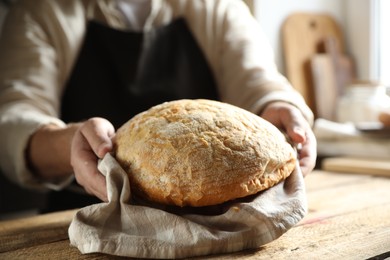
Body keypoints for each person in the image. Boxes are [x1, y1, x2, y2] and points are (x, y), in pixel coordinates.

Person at [0, 0, 316, 210]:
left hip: (216, 220)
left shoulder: (216, 7)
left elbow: (260, 82)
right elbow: (14, 119)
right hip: (84, 218)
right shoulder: (40, 11)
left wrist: (279, 106)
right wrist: (71, 143)